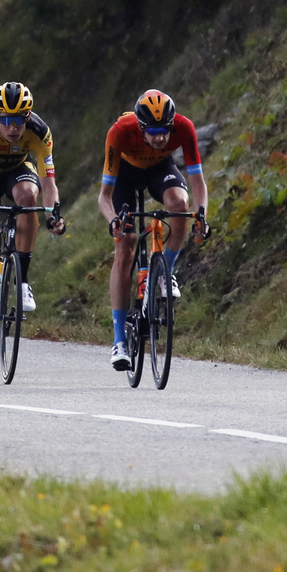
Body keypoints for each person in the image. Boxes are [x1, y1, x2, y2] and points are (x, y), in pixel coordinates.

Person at [97, 90, 208, 370]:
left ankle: (164, 272)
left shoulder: (183, 127)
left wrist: (202, 217)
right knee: (126, 244)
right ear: (140, 126)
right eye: (153, 132)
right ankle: (119, 340)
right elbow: (104, 196)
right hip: (125, 175)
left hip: (160, 168)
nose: (160, 138)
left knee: (180, 205)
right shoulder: (120, 131)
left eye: (165, 131)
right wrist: (113, 220)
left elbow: (197, 183)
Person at [0, 82, 66, 358]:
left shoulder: (40, 131)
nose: (13, 128)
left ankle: (23, 281)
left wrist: (53, 214)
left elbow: (48, 182)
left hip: (18, 169)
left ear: (28, 117)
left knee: (28, 197)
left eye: (19, 120)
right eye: (7, 121)